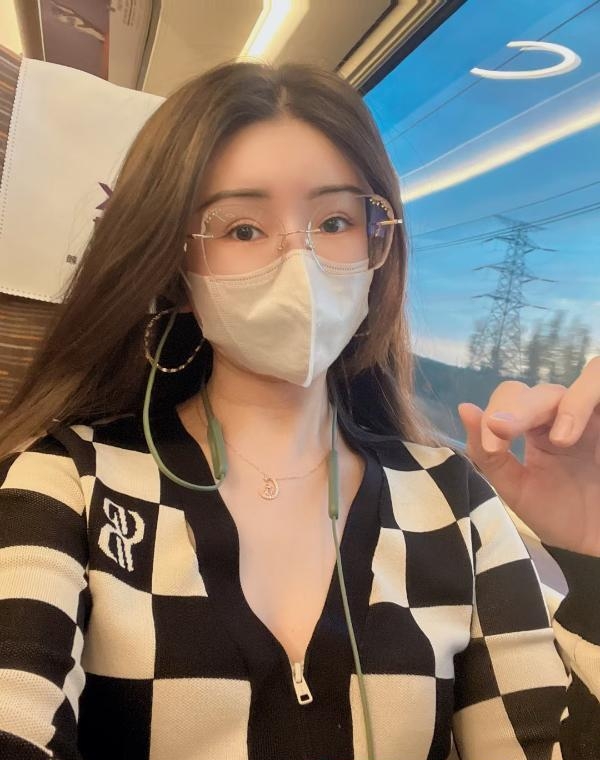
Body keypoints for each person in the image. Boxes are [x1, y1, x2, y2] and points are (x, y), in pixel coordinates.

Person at [0, 60, 598, 760]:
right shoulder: (69, 484)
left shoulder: (457, 503)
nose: (301, 265)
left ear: (379, 246)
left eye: (336, 221)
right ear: (175, 270)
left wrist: (590, 555)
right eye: (241, 229)